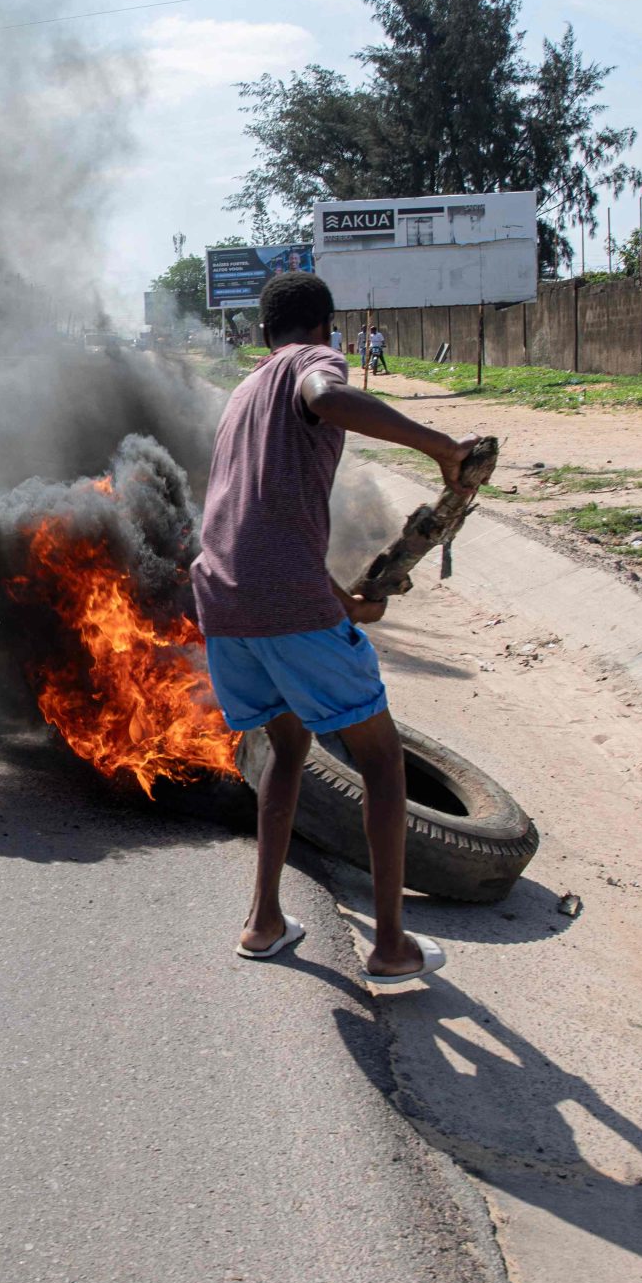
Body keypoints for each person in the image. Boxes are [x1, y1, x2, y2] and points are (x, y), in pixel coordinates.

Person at [192, 270, 480, 984]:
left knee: (287, 747)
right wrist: (441, 447)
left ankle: (263, 922)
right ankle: (389, 947)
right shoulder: (312, 363)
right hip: (277, 598)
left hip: (223, 602)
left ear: (261, 334)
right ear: (328, 327)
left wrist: (340, 603)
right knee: (381, 760)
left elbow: (260, 522)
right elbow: (324, 396)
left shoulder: (239, 395)